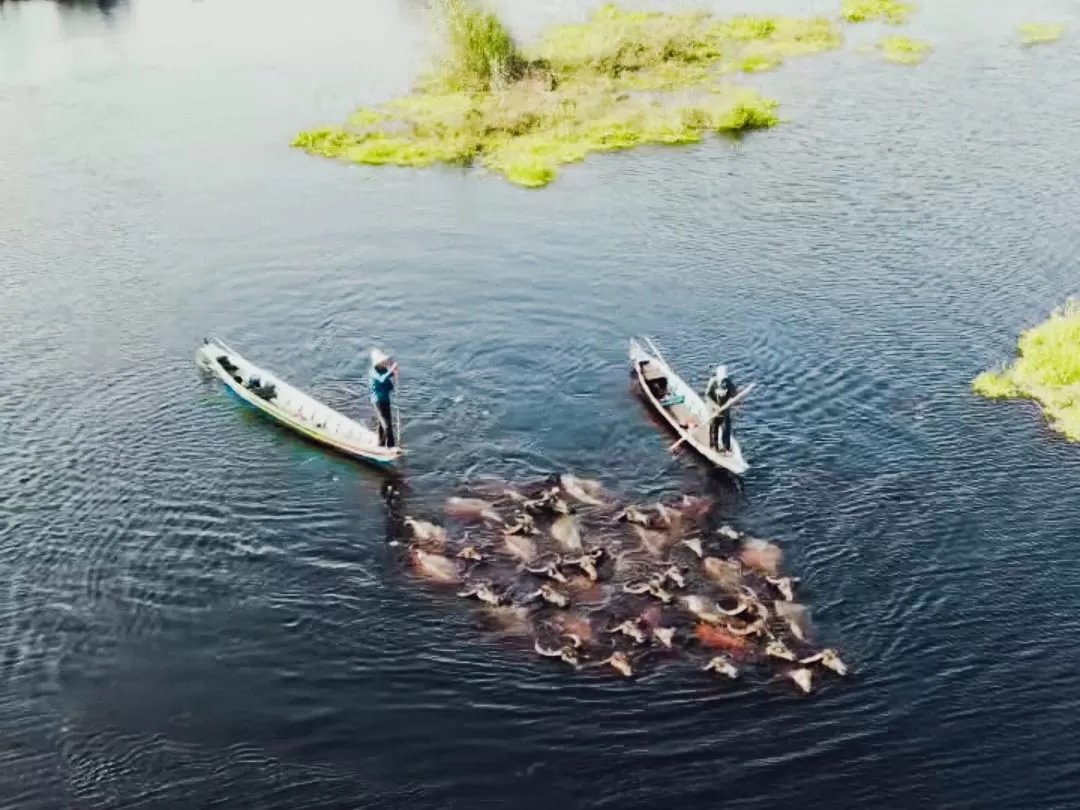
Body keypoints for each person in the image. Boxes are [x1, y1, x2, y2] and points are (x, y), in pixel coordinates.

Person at [703, 364, 737, 453]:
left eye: (724, 380)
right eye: (721, 379)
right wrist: (716, 407)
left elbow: (734, 394)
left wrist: (732, 401)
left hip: (724, 409)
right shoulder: (712, 382)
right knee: (714, 428)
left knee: (726, 428)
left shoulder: (728, 383)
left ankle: (726, 447)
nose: (723, 382)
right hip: (713, 410)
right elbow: (707, 397)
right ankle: (714, 446)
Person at [369, 348, 398, 447]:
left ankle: (391, 445)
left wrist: (394, 373)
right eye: (382, 361)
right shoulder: (373, 372)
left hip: (386, 400)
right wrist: (391, 370)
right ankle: (380, 447)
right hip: (377, 401)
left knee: (387, 424)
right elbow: (382, 379)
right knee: (386, 427)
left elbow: (388, 379)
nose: (384, 362)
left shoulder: (384, 369)